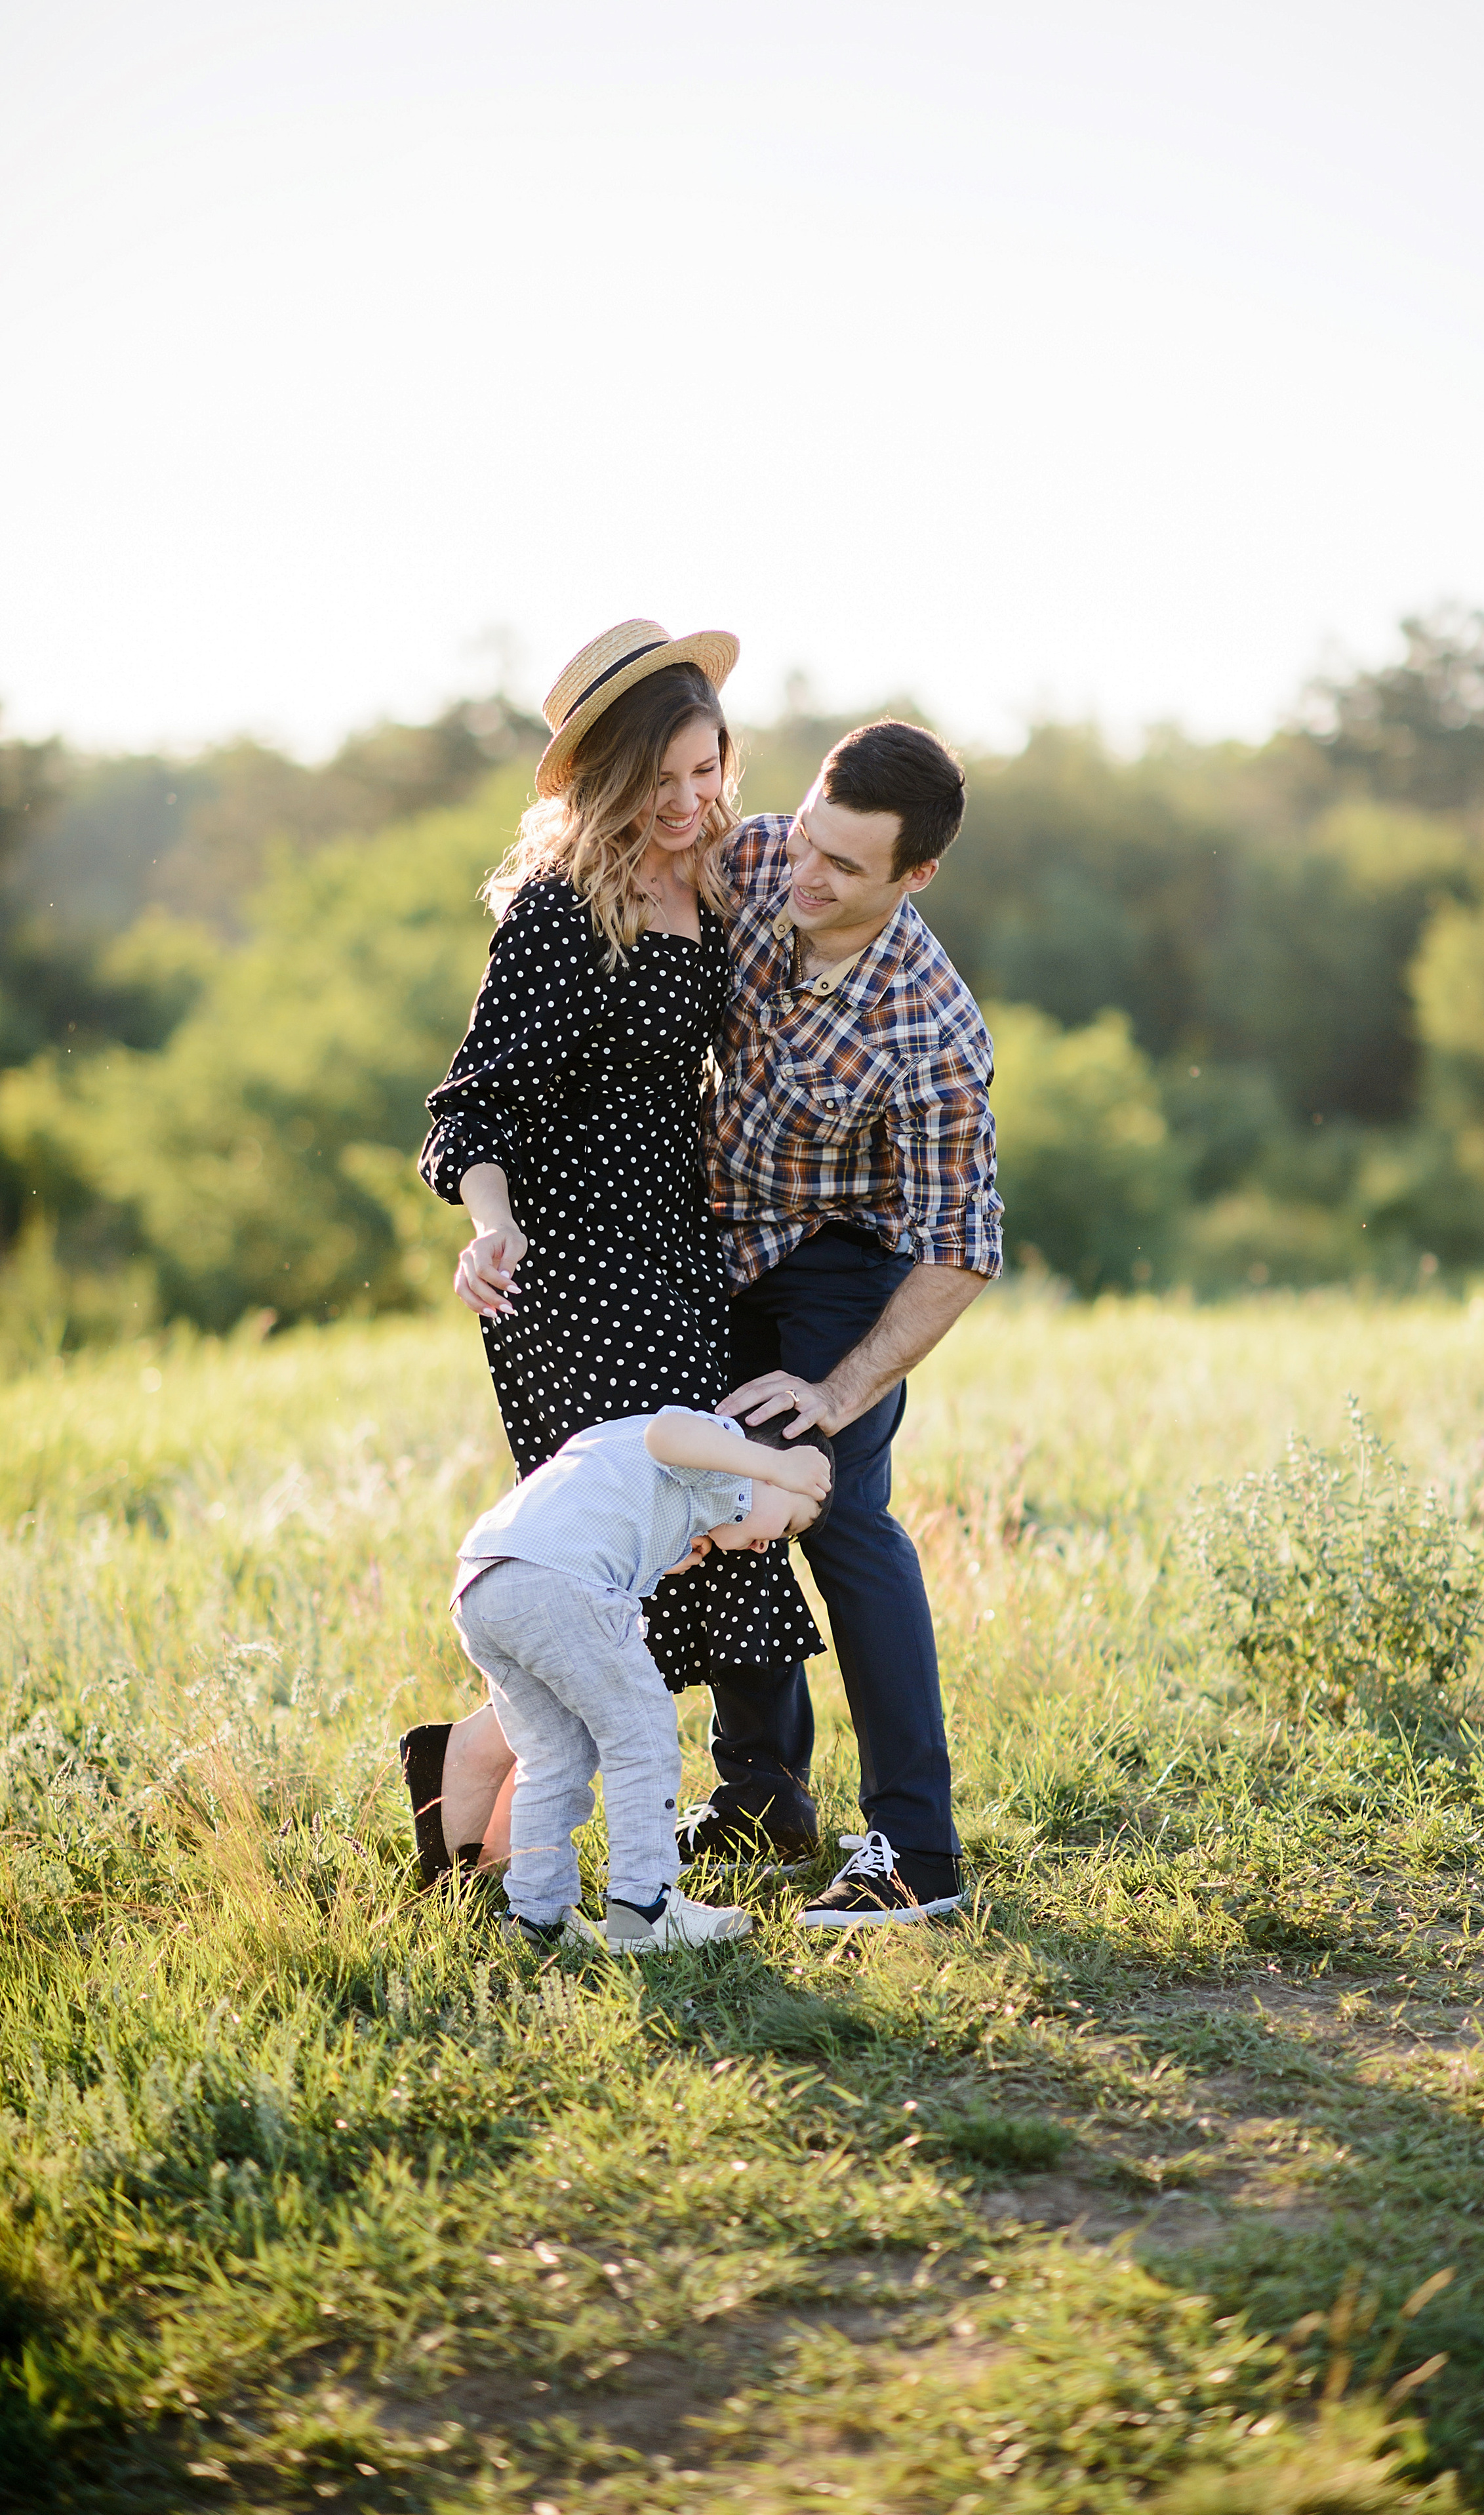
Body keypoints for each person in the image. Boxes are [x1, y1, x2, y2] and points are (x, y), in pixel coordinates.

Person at [402, 621, 823, 1883]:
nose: (693, 801)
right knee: (616, 1557)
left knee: (676, 1548)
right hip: (574, 1279)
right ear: (608, 780)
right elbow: (470, 1107)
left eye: (711, 771)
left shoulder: (719, 885)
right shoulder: (556, 913)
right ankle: (493, 1785)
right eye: (665, 780)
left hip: (678, 1264)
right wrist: (492, 1227)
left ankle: (486, 1776)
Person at [698, 719, 1004, 1927]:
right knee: (723, 1497)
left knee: (836, 1511)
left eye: (844, 868)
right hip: (714, 1236)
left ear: (914, 877)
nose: (803, 878)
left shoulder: (931, 1029)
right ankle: (762, 1794)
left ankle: (916, 1853)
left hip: (846, 1263)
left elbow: (959, 1252)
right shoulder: (763, 853)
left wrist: (836, 1396)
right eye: (808, 841)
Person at [451, 1405, 832, 1953]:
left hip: (487, 1583)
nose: (766, 1546)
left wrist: (664, 1552)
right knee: (644, 1737)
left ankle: (537, 1916)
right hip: (562, 1583)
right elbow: (667, 1433)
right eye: (790, 1524)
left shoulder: (665, 1471)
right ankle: (645, 1908)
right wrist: (784, 1468)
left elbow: (601, 1499)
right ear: (773, 1470)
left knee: (555, 1757)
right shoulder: (724, 1450)